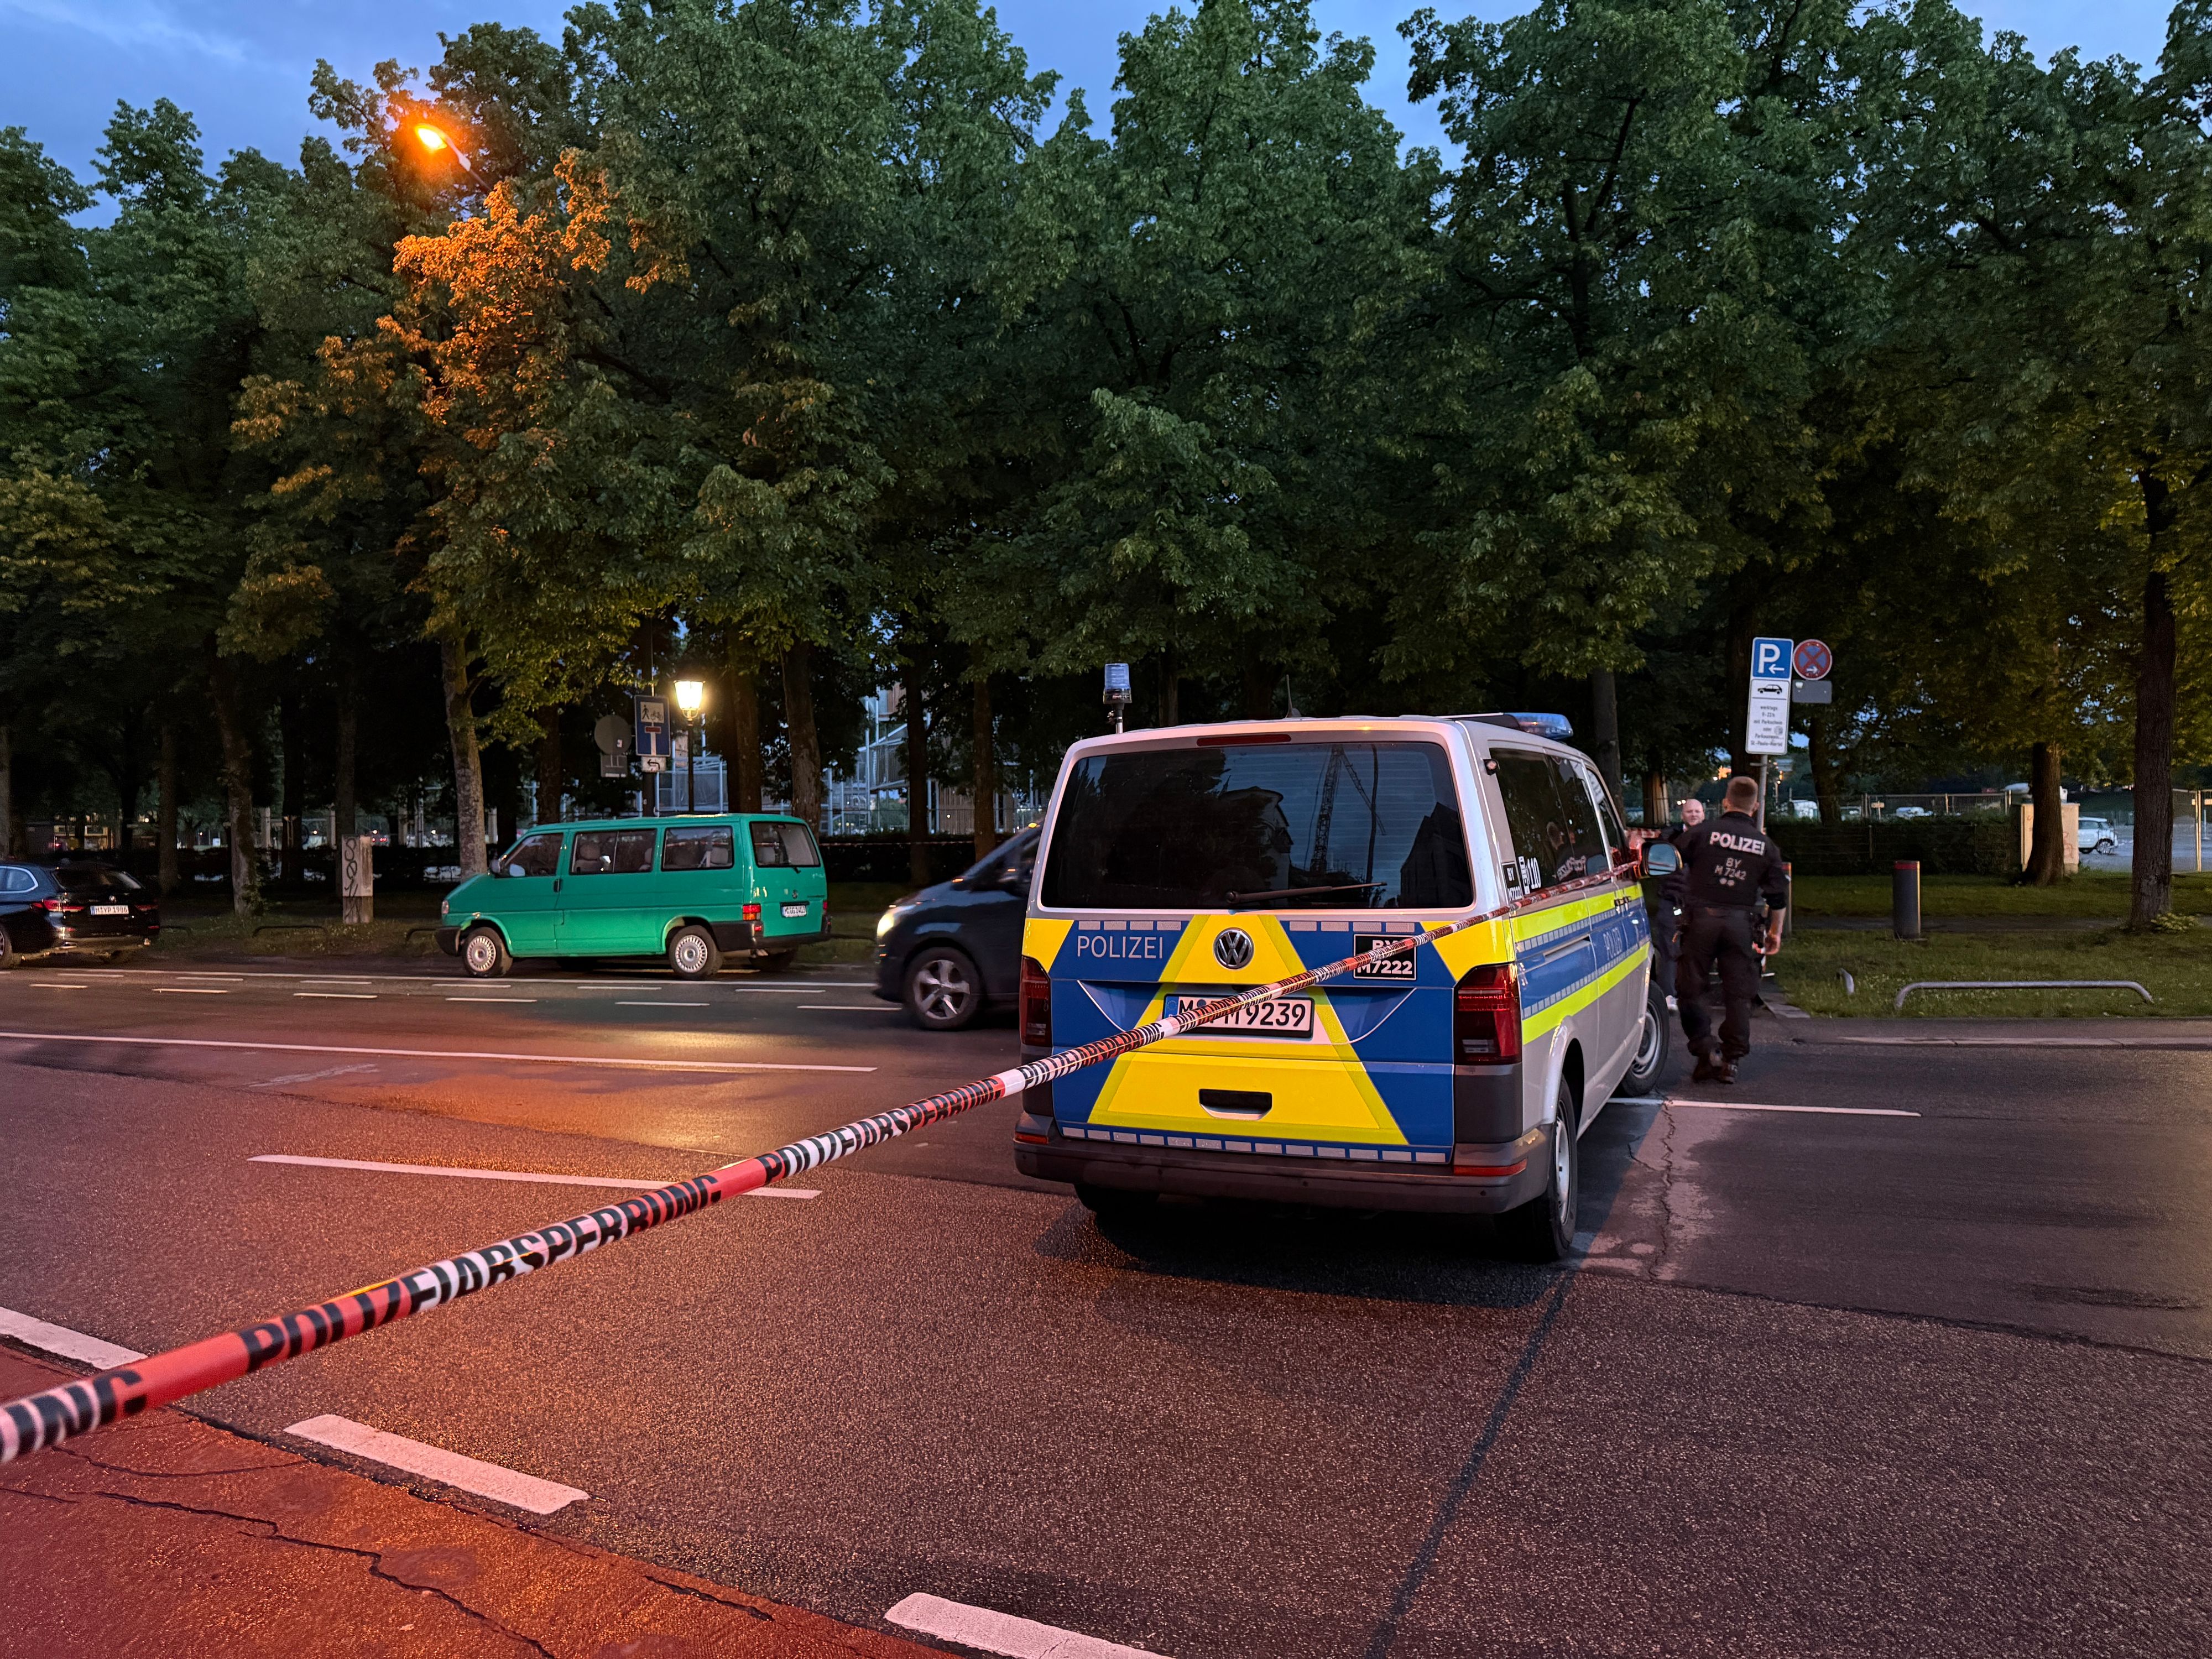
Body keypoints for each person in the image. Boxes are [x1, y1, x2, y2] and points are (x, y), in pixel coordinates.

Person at [1666, 775, 1788, 1083]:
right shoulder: (1765, 846)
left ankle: (1705, 1049)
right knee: (1739, 994)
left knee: (1690, 988)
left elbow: (1670, 860)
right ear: (1755, 807)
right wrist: (1775, 933)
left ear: (1725, 802)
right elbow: (1778, 897)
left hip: (1700, 923)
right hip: (1742, 926)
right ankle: (1731, 1060)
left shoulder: (1702, 832)